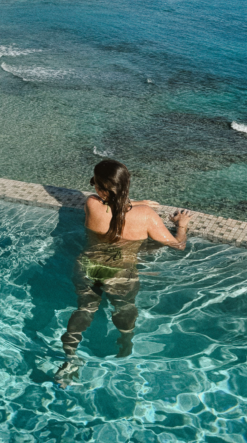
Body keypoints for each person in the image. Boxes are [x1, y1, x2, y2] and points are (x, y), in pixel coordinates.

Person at [55, 159, 190, 385]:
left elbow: (107, 200)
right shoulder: (144, 214)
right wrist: (182, 224)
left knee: (85, 308)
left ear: (98, 189)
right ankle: (125, 342)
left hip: (87, 267)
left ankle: (69, 356)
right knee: (124, 306)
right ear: (126, 185)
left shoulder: (91, 203)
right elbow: (178, 245)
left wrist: (131, 201)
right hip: (120, 274)